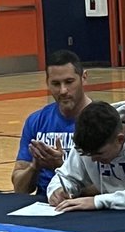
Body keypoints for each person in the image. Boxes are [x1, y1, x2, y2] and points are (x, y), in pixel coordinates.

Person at [12, 50, 91, 195]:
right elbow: (20, 189)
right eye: (55, 83)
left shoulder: (101, 121)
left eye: (69, 82)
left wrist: (61, 167)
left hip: (84, 207)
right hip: (43, 206)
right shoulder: (36, 121)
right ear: (47, 83)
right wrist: (34, 167)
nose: (63, 91)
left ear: (83, 78)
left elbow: (108, 187)